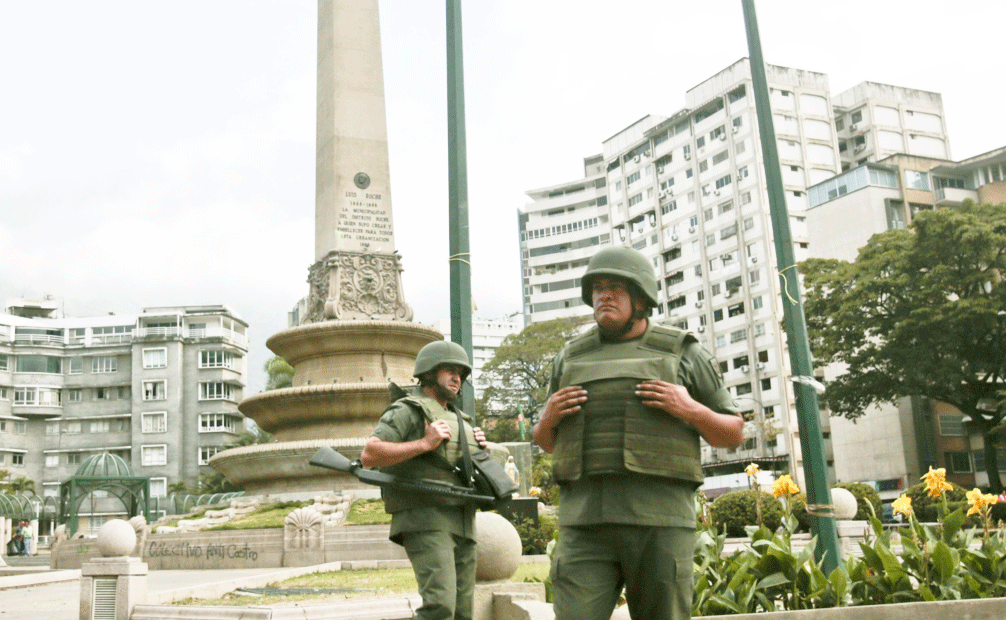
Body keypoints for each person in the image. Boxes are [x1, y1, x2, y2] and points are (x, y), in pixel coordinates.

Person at [533, 246, 745, 620]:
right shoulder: (570, 357)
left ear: (641, 297)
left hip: (659, 524)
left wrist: (688, 409)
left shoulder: (683, 352)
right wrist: (546, 418)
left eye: (616, 286)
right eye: (597, 287)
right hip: (584, 526)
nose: (604, 295)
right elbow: (548, 443)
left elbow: (732, 434)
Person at [361, 340, 488, 620]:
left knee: (462, 611)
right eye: (450, 371)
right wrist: (424, 443)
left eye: (461, 374)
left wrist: (478, 448)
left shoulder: (459, 418)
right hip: (426, 517)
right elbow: (370, 454)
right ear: (429, 373)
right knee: (439, 606)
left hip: (463, 518)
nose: (457, 378)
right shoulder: (407, 409)